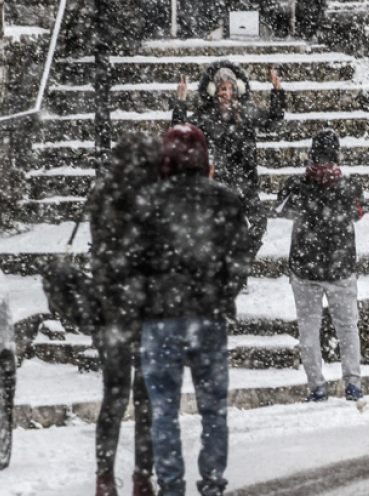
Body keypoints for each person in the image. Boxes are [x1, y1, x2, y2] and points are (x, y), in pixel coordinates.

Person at [121, 124, 252, 496]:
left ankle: (171, 485)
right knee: (213, 409)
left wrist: (144, 301)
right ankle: (212, 482)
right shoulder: (225, 200)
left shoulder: (148, 202)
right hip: (208, 315)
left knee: (164, 410)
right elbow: (239, 256)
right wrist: (223, 292)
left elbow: (131, 262)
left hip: (161, 319)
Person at [85, 132, 161, 496]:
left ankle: (104, 478)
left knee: (113, 397)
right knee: (147, 400)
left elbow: (100, 252)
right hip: (148, 312)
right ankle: (142, 477)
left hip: (110, 311)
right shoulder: (155, 199)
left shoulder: (103, 195)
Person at [275, 129, 365, 402]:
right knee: (347, 327)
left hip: (305, 267)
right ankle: (353, 383)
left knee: (308, 328)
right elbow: (358, 214)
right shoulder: (349, 186)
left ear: (312, 153)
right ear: (336, 154)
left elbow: (281, 210)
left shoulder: (296, 185)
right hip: (340, 266)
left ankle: (317, 386)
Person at [172, 61, 285, 256]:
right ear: (214, 90)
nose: (227, 93)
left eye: (231, 88)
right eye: (223, 88)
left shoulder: (246, 112)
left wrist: (277, 91)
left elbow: (274, 120)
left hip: (245, 181)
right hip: (219, 181)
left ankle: (240, 260)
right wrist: (181, 101)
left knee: (259, 222)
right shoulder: (205, 116)